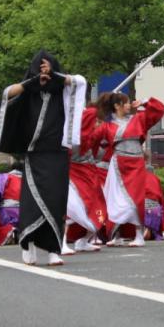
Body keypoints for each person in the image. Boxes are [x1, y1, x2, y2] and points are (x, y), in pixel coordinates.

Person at [0, 50, 86, 266]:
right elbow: (6, 94)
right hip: (34, 155)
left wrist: (55, 76)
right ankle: (28, 244)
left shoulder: (63, 91)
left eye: (48, 67)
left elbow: (80, 81)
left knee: (56, 202)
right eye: (41, 67)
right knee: (32, 203)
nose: (44, 71)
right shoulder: (28, 91)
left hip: (57, 155)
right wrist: (32, 82)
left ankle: (54, 250)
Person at [98, 92, 164, 247]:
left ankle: (139, 235)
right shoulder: (106, 125)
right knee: (115, 200)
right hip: (117, 166)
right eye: (127, 102)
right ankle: (117, 234)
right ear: (117, 106)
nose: (130, 105)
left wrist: (144, 102)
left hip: (136, 165)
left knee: (135, 200)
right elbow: (95, 142)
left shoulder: (138, 119)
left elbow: (160, 109)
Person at [64, 103, 108, 254]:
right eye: (94, 121)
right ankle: (61, 242)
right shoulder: (74, 139)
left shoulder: (89, 136)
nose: (97, 124)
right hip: (75, 177)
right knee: (71, 209)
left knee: (100, 211)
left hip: (91, 176)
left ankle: (83, 241)